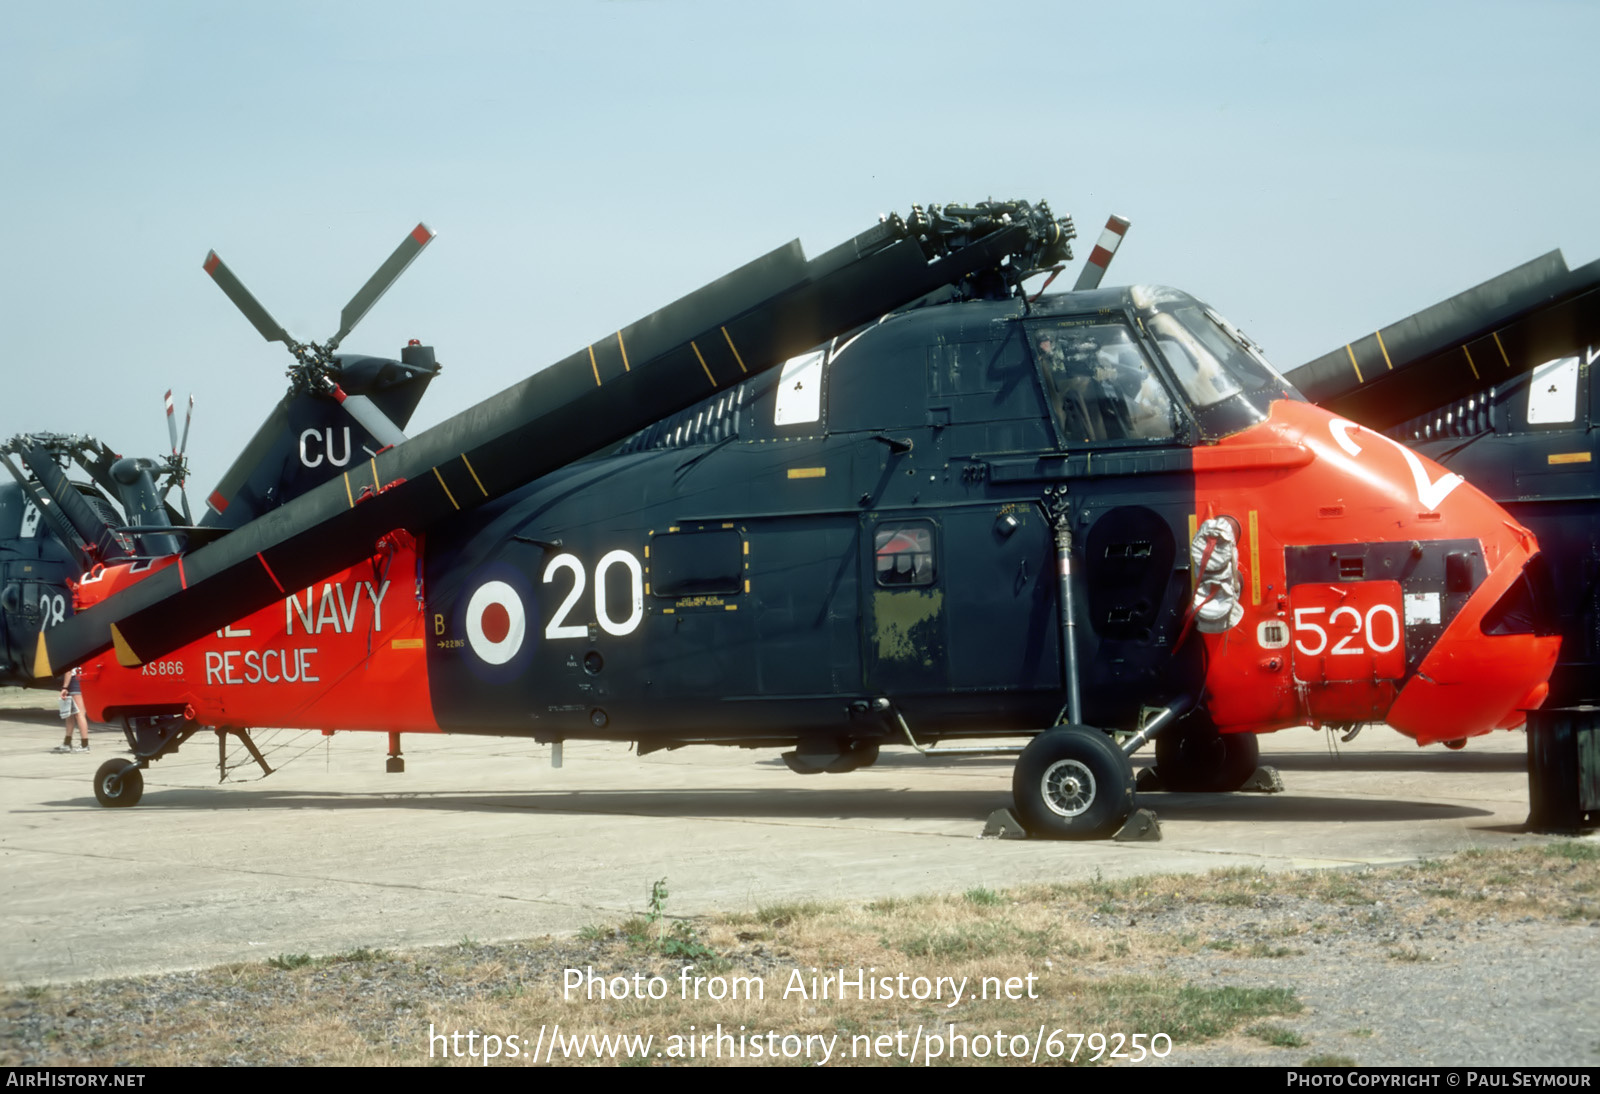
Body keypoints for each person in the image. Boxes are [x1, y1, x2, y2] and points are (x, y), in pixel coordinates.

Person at [53, 667, 89, 753]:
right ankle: (67, 742)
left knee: (79, 714)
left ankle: (85, 745)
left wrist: (64, 687)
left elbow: (68, 671)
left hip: (74, 682)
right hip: (81, 679)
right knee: (70, 714)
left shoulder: (70, 655)